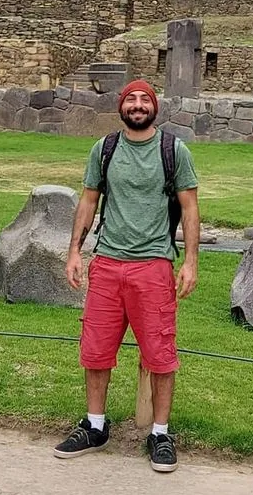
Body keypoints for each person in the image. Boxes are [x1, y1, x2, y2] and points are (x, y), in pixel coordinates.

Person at [53, 79, 199, 473]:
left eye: (144, 99)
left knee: (160, 352)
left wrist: (190, 261)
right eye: (131, 99)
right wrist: (74, 251)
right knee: (96, 348)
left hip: (153, 264)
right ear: (122, 107)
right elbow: (88, 200)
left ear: (154, 107)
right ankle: (96, 425)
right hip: (108, 262)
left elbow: (189, 208)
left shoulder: (174, 151)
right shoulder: (105, 149)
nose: (137, 105)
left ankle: (160, 433)